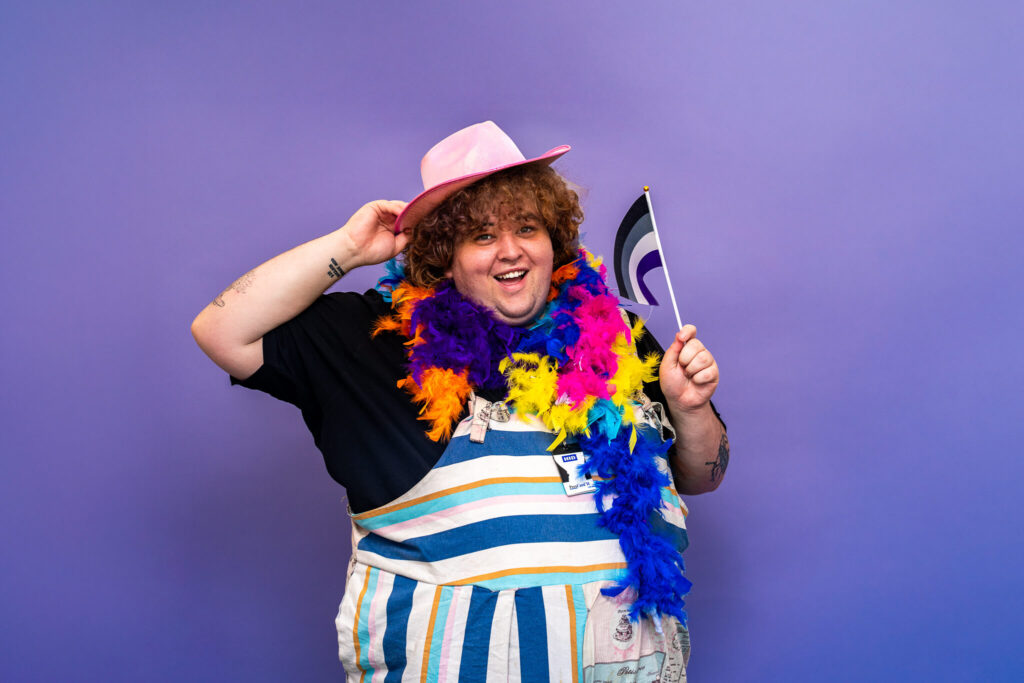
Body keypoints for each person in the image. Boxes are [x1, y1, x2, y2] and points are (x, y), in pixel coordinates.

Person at [191, 121, 728, 682]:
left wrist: (691, 411)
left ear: (553, 240)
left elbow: (703, 475)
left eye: (527, 227)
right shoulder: (378, 345)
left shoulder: (612, 336)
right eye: (482, 235)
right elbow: (222, 331)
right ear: (444, 256)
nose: (511, 251)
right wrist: (348, 249)